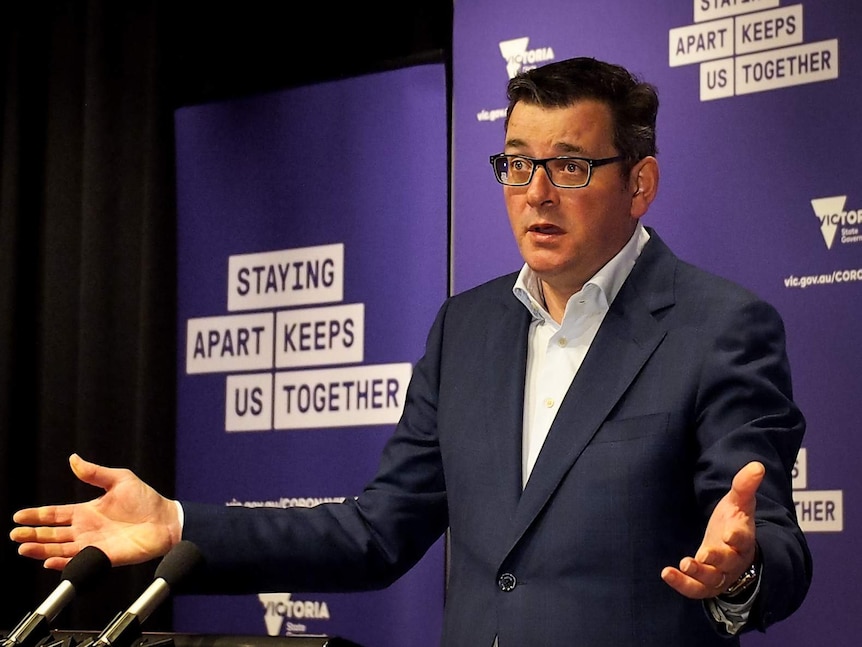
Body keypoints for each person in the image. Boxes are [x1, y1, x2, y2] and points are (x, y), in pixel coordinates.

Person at [9, 57, 811, 646]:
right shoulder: (467, 329)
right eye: (518, 163)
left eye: (569, 165)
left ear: (639, 184)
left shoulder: (718, 325)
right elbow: (377, 530)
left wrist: (738, 572)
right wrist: (179, 522)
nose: (536, 191)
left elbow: (768, 537)